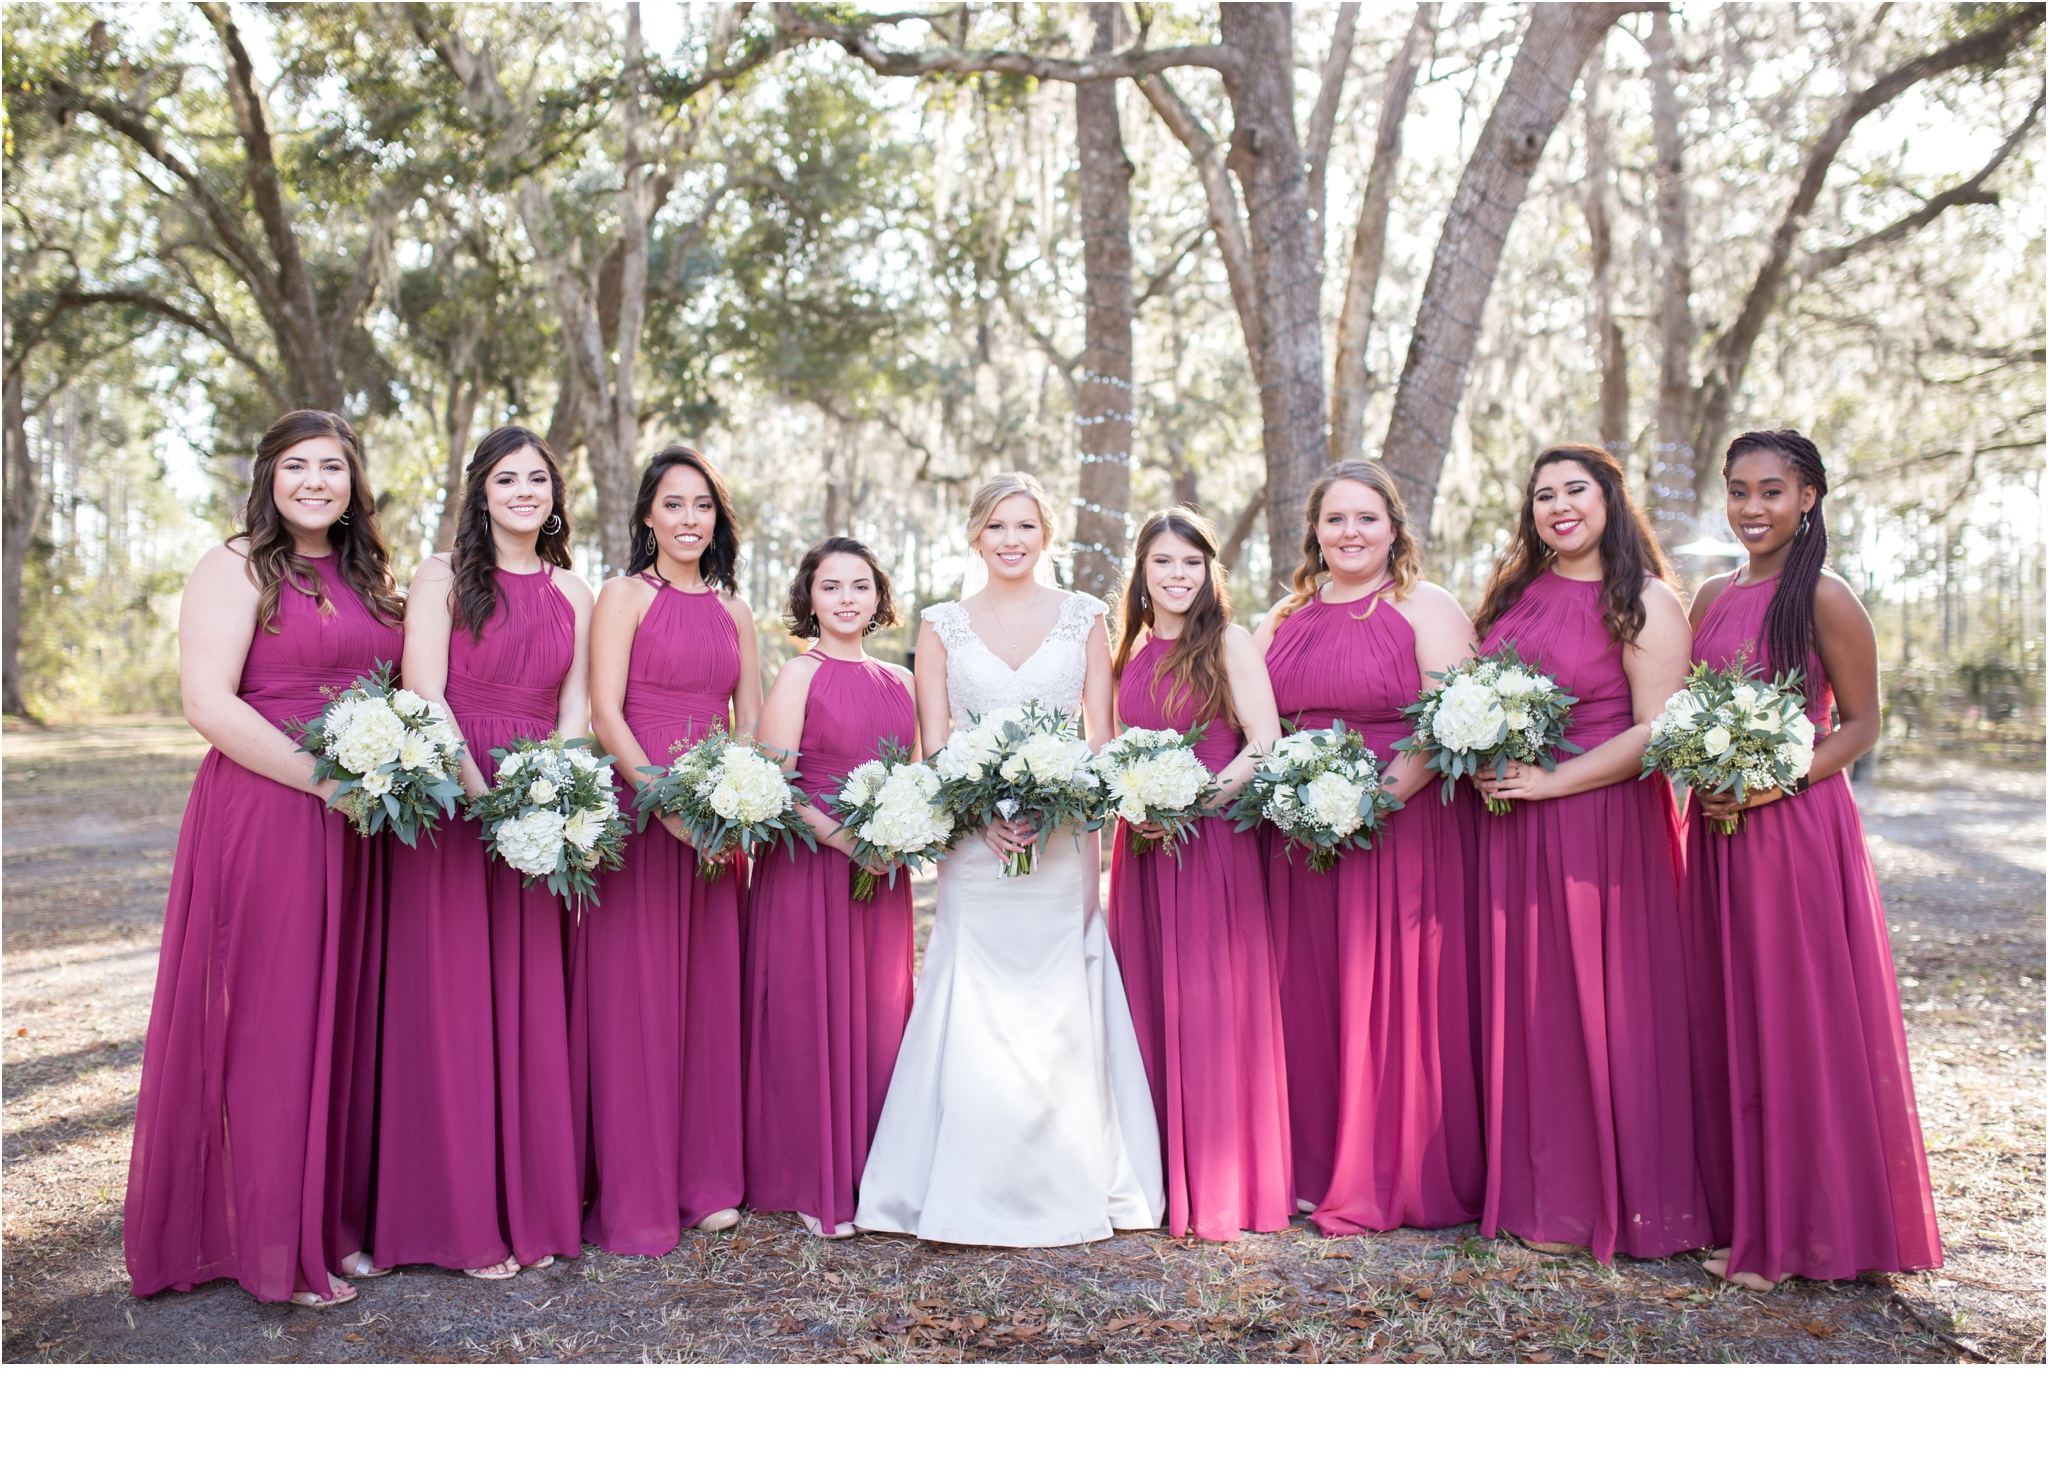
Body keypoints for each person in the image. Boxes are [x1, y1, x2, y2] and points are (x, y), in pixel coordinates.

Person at [125, 409, 403, 1308]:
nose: (316, 482)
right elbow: (207, 702)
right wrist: (323, 782)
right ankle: (273, 1248)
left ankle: (329, 1225)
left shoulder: (369, 576)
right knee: (275, 1020)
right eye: (297, 466)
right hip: (271, 805)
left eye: (333, 467)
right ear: (269, 477)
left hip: (360, 818)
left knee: (343, 1017)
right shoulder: (235, 563)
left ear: (354, 482)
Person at [854, 472, 1164, 1244]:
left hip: (1063, 848)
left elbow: (1100, 735)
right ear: (975, 536)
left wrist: (1059, 799)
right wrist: (982, 816)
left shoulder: (1086, 618)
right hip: (976, 850)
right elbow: (936, 746)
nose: (1012, 539)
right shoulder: (941, 626)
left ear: (1046, 535)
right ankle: (961, 1183)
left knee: (1060, 990)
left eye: (1026, 525)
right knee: (976, 989)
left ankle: (1074, 1179)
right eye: (998, 526)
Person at [1683, 428, 1942, 1290]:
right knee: (1734, 1014)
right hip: (1716, 828)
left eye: (1771, 492)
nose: (1752, 508)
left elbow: (1862, 725)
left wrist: (1768, 783)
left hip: (1793, 824)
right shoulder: (1711, 595)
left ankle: (1803, 1234)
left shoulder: (1826, 597)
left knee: (1793, 1018)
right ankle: (1750, 1216)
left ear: (1808, 500)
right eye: (1738, 491)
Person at [1469, 444, 1712, 1262]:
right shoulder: (1515, 594)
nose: (1559, 506)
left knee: (1597, 1007)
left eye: (1576, 490)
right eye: (1543, 495)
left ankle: (1599, 1204)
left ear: (1611, 499)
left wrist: (1555, 782)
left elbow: (1659, 731)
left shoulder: (1645, 599)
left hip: (1601, 827)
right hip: (1511, 821)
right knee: (1531, 1006)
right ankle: (1536, 1191)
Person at [371, 426, 594, 1279]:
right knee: (450, 998)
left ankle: (529, 1206)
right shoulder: (440, 575)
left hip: (538, 807)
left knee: (529, 999)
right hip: (450, 794)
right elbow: (422, 690)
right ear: (481, 492)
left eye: (538, 479)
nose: (524, 492)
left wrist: (553, 793)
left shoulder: (576, 588)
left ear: (554, 495)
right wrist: (482, 795)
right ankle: (454, 1221)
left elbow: (575, 707)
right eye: (507, 479)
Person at [1256, 461, 1484, 1234]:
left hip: (1401, 824)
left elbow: (1451, 721)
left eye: (1366, 518)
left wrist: (1371, 801)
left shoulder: (1426, 606)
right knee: (1310, 992)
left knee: (1388, 994)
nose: (1349, 533)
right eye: (1334, 520)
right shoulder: (1285, 614)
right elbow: (1250, 713)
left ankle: (1388, 1169)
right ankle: (1310, 1164)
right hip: (1299, 833)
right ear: (1314, 532)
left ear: (1395, 527)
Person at [570, 447, 758, 1255]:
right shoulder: (622, 596)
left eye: (703, 506)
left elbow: (747, 719)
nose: (689, 519)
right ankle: (635, 1187)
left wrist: (731, 800)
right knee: (634, 1001)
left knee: (706, 996)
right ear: (646, 515)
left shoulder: (733, 609)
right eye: (673, 504)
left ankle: (704, 1179)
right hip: (641, 813)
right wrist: (667, 803)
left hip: (717, 822)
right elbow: (606, 713)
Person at [1107, 507, 1291, 1240]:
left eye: (1191, 562)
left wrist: (1195, 801)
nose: (1178, 576)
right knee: (1149, 995)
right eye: (1163, 563)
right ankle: (1154, 1177)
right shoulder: (1132, 651)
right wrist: (1135, 802)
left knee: (1212, 1005)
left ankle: (1218, 1183)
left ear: (1209, 571)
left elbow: (1265, 740)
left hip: (1210, 842)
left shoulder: (1229, 643)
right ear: (1143, 574)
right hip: (1144, 848)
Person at [743, 538, 918, 1239]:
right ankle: (809, 1177)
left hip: (882, 876)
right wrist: (851, 842)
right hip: (812, 866)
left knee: (876, 1016)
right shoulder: (799, 675)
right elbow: (773, 784)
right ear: (809, 599)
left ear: (879, 597)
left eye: (860, 585)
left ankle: (874, 1171)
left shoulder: (900, 683)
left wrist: (900, 835)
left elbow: (917, 777)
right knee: (806, 1015)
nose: (847, 598)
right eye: (831, 586)